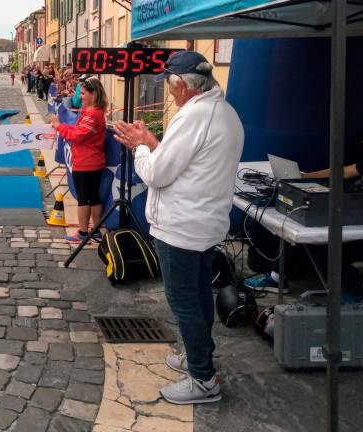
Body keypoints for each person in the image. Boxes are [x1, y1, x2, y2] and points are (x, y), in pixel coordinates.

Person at [114, 51, 244, 405]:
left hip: (182, 226)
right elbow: (183, 162)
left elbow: (157, 172)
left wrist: (140, 146)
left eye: (170, 86)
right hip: (202, 223)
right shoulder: (223, 112)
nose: (169, 93)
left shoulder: (195, 117)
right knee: (199, 293)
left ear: (184, 86)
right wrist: (153, 144)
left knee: (184, 300)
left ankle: (203, 378)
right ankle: (198, 355)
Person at [245, 118, 363, 299]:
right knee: (301, 220)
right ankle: (276, 277)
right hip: (358, 213)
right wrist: (305, 177)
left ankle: (359, 286)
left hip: (362, 222)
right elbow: (342, 172)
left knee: (324, 241)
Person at [50, 77, 107, 242]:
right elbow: (77, 129)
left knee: (84, 199)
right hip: (93, 160)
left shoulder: (93, 113)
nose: (80, 97)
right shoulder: (93, 111)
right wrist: (62, 126)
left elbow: (78, 135)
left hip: (86, 161)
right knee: (93, 197)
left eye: (82, 93)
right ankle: (95, 231)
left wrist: (58, 126)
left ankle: (83, 232)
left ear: (93, 94)